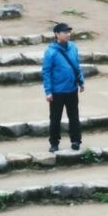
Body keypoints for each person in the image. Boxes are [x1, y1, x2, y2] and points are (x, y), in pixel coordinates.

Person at [42, 23, 85, 153]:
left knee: (74, 117)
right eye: (65, 32)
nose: (68, 34)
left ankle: (76, 141)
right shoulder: (51, 52)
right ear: (57, 34)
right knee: (55, 119)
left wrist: (81, 81)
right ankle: (54, 143)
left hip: (72, 89)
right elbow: (46, 72)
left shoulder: (73, 48)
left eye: (69, 32)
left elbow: (77, 65)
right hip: (57, 92)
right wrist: (48, 91)